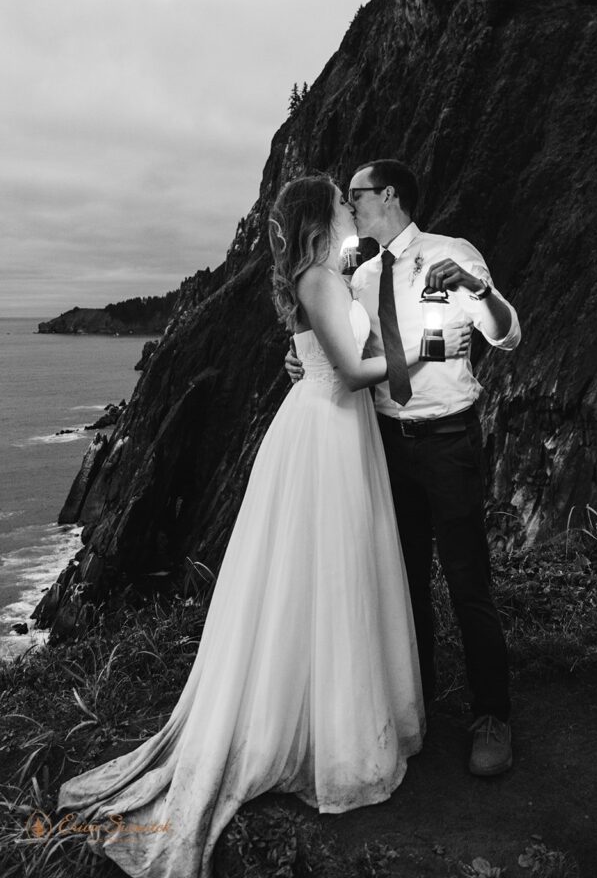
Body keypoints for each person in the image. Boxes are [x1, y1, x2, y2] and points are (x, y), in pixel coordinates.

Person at [55, 175, 425, 878]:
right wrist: (408, 358)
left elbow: (323, 354)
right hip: (326, 431)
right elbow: (348, 374)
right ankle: (326, 733)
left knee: (331, 571)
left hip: (332, 430)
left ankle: (329, 715)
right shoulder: (319, 278)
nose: (351, 208)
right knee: (322, 572)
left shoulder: (325, 274)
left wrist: (324, 352)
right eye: (341, 204)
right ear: (320, 218)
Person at [286, 160, 521, 777]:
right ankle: (417, 701)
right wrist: (306, 362)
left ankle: (492, 715)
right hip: (385, 441)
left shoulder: (453, 252)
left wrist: (479, 290)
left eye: (356, 195)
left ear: (388, 196)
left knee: (469, 578)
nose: (351, 205)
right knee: (403, 576)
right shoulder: (358, 277)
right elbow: (347, 351)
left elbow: (508, 335)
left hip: (447, 437)